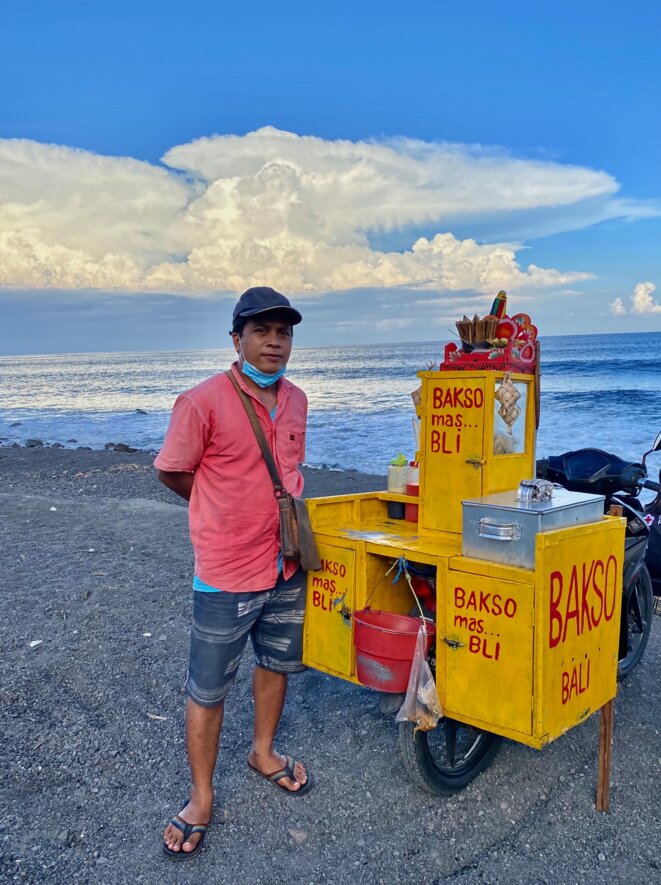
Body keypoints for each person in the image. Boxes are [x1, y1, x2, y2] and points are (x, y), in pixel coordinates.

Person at [156, 286, 313, 860]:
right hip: (226, 570)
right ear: (237, 339)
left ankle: (263, 751)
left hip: (288, 561)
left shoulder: (296, 400)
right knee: (209, 685)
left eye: (285, 332)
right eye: (262, 331)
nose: (275, 341)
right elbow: (172, 471)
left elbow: (290, 470)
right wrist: (216, 505)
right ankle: (201, 796)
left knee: (276, 662)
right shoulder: (201, 401)